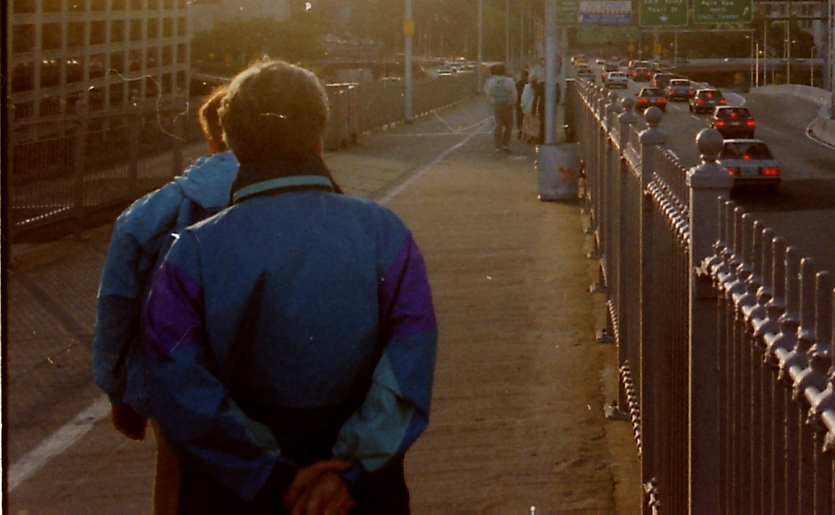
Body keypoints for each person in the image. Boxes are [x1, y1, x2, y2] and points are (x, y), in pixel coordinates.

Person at [144, 59, 437, 513]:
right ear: (319, 135)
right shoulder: (385, 233)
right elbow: (409, 359)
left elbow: (178, 382)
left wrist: (271, 474)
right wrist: (350, 469)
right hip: (358, 488)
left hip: (236, 489)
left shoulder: (192, 252)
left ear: (232, 145)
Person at [94, 86, 240, 515]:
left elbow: (117, 306)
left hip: (170, 373)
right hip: (260, 373)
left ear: (210, 138)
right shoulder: (286, 204)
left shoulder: (148, 213)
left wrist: (118, 392)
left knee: (174, 471)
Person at [484, 64, 518, 152]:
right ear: (505, 72)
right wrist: (513, 102)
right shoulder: (509, 81)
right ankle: (506, 144)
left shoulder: (492, 82)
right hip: (507, 105)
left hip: (497, 105)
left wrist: (491, 102)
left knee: (498, 125)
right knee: (508, 125)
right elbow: (514, 93)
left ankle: (497, 146)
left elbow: (488, 94)